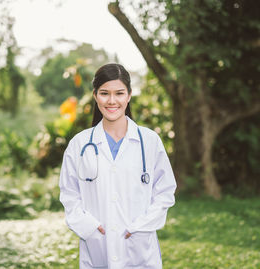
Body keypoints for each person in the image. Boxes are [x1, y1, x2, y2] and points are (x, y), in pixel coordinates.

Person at [59, 63, 177, 268]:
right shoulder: (80, 144)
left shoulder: (149, 141)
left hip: (140, 250)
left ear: (129, 95)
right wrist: (89, 227)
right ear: (95, 96)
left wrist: (142, 226)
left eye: (119, 93)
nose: (112, 101)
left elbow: (165, 191)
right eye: (104, 93)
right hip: (97, 249)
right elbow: (69, 194)